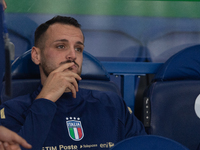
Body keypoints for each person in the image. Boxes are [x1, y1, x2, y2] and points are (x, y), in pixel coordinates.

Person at [0, 16, 146, 150]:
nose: (72, 55)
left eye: (78, 48)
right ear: (36, 55)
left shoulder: (113, 104)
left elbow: (145, 147)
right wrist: (46, 99)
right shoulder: (12, 111)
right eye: (61, 46)